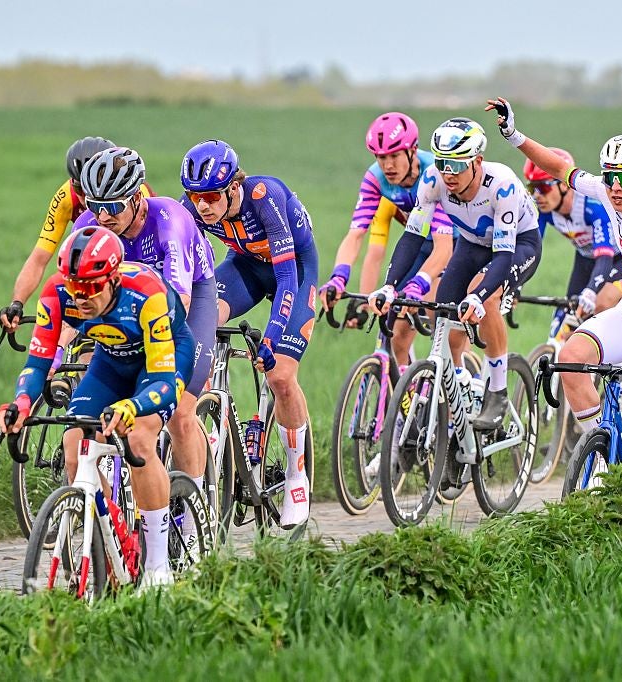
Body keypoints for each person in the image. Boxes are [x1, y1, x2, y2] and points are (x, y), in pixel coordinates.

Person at [486, 97, 622, 465]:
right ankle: (606, 460)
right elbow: (560, 167)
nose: (615, 187)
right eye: (609, 177)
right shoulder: (607, 193)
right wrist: (513, 134)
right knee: (572, 359)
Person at [0, 226, 195, 588]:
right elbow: (38, 362)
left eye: (90, 288)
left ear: (114, 279)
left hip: (161, 363)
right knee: (73, 447)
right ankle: (110, 544)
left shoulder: (145, 294)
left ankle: (157, 564)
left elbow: (165, 384)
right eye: (74, 287)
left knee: (138, 439)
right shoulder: (58, 292)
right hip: (111, 362)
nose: (81, 297)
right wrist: (22, 402)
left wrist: (132, 407)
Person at [367, 117, 541, 430]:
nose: (449, 173)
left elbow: (502, 255)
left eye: (458, 166)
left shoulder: (502, 185)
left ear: (477, 161)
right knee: (444, 315)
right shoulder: (432, 180)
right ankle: (457, 378)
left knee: (483, 299)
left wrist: (478, 295)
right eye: (443, 163)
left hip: (517, 246)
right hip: (473, 245)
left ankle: (498, 390)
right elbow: (412, 237)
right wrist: (390, 287)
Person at [179, 139, 317, 528]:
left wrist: (272, 336)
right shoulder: (193, 208)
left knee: (281, 377)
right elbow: (189, 277)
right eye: (194, 197)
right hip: (243, 268)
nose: (201, 206)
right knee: (201, 325)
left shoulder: (263, 196)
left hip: (294, 271)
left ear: (233, 187)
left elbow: (287, 277)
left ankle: (296, 476)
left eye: (210, 197)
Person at [74, 147, 217, 509]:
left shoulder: (169, 218)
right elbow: (76, 298)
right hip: (129, 308)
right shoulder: (88, 227)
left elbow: (178, 306)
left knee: (181, 410)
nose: (104, 216)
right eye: (95, 205)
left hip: (187, 299)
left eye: (115, 206)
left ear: (138, 198)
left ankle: (195, 507)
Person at [319, 112, 455, 366]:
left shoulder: (435, 174)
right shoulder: (376, 179)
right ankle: (406, 400)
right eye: (381, 157)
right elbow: (357, 234)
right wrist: (339, 276)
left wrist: (421, 286)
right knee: (397, 334)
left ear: (412, 151)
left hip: (456, 243)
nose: (388, 165)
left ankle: (460, 383)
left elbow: (444, 247)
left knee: (441, 319)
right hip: (419, 245)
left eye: (394, 156)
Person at [0, 137, 154, 332]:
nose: (84, 197)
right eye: (79, 188)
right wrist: (17, 303)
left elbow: (142, 263)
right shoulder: (65, 197)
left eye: (93, 188)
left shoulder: (135, 195)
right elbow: (39, 258)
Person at [524, 149, 622, 322]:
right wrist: (514, 287)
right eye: (532, 188)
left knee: (600, 304)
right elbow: (529, 251)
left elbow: (604, 256)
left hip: (619, 259)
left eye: (542, 188)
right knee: (568, 311)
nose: (537, 196)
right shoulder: (544, 210)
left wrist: (592, 291)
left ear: (564, 185)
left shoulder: (593, 206)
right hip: (585, 258)